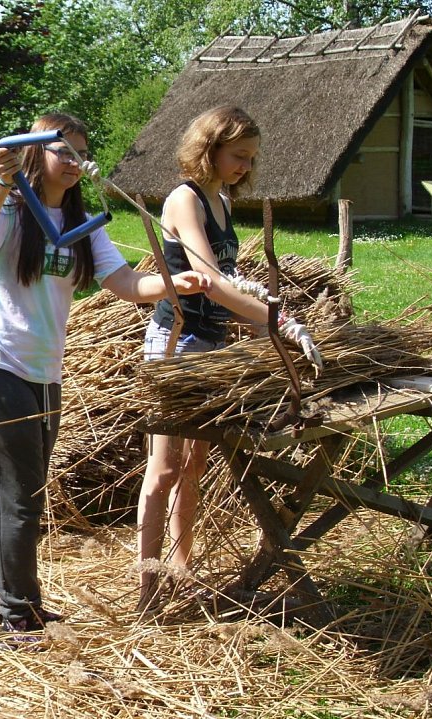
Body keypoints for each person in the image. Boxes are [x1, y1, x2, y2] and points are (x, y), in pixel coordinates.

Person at [0, 112, 212, 640]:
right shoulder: (12, 210)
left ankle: (5, 600)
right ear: (34, 152)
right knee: (19, 498)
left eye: (79, 153)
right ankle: (17, 613)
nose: (73, 162)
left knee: (14, 493)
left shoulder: (79, 227)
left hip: (44, 372)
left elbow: (125, 283)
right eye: (62, 151)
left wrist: (172, 284)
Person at [136, 105, 323, 612]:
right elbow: (212, 283)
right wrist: (277, 322)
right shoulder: (185, 200)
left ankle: (181, 567)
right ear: (210, 148)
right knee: (165, 467)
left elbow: (230, 283)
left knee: (194, 463)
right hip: (177, 345)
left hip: (213, 344)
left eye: (251, 158)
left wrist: (268, 320)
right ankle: (147, 590)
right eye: (238, 155)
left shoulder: (220, 200)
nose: (245, 166)